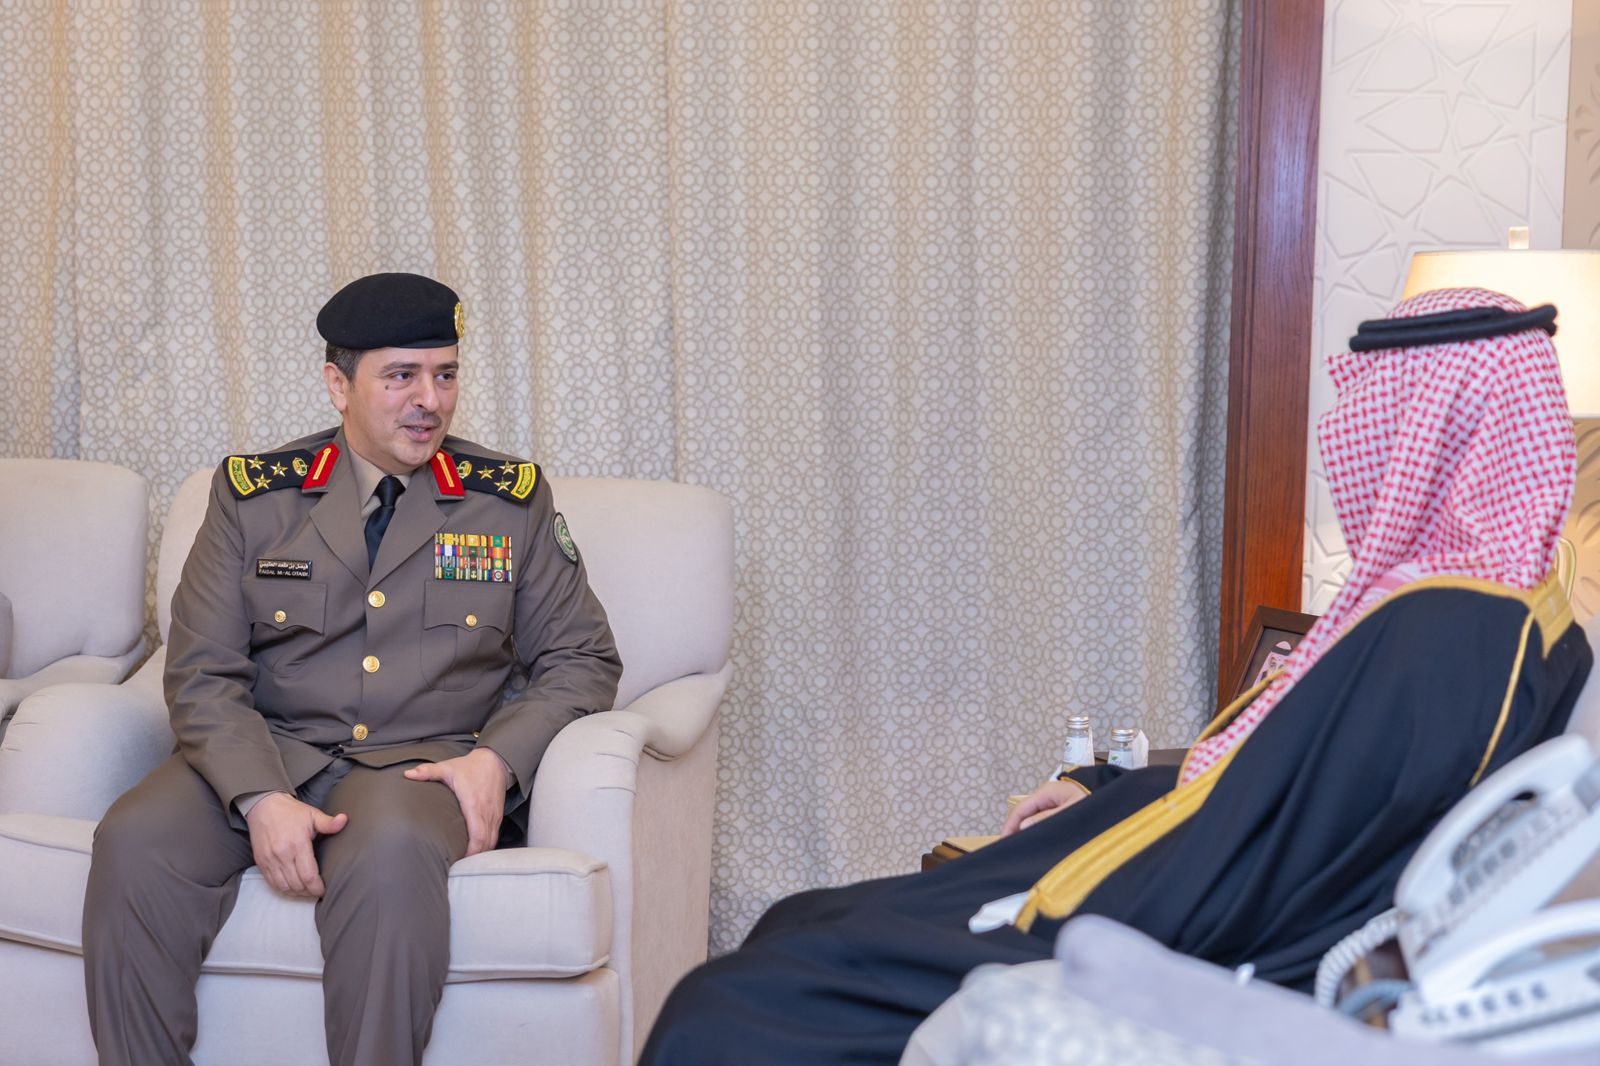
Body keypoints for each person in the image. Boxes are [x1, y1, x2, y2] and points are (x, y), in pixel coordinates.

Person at [640, 287, 1594, 1064]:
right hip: (1174, 864)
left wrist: (1082, 896)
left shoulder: (1448, 632)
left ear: (1441, 424)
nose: (1349, 435)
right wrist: (1103, 790)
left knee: (736, 1005)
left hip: (1179, 922)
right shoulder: (1486, 614)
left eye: (1376, 408)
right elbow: (1273, 787)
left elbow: (1279, 862)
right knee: (799, 921)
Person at [81, 272, 623, 1066]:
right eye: (401, 376)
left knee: (391, 860)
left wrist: (497, 762)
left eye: (445, 375)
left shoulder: (508, 502)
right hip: (265, 750)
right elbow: (201, 670)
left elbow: (582, 656)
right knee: (133, 843)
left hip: (417, 766)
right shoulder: (253, 498)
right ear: (339, 385)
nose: (429, 401)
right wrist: (258, 796)